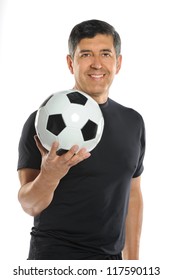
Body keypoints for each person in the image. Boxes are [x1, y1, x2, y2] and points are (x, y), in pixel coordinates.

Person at [17, 19, 145, 260]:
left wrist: (132, 265)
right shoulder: (43, 122)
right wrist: (50, 175)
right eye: (86, 54)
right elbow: (29, 205)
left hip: (111, 262)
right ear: (70, 62)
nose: (97, 64)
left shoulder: (133, 121)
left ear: (118, 63)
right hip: (54, 260)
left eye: (105, 54)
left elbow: (132, 193)